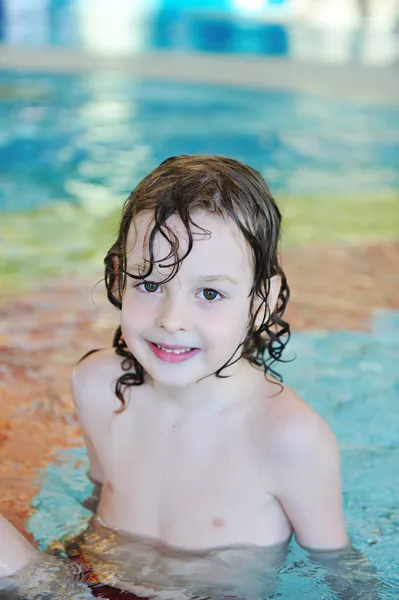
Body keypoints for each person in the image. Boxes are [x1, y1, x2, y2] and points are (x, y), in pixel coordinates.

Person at [0, 155, 378, 599]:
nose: (172, 319)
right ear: (120, 277)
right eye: (150, 284)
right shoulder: (98, 385)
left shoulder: (288, 438)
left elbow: (339, 571)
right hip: (87, 585)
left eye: (210, 292)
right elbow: (96, 499)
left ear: (263, 301)